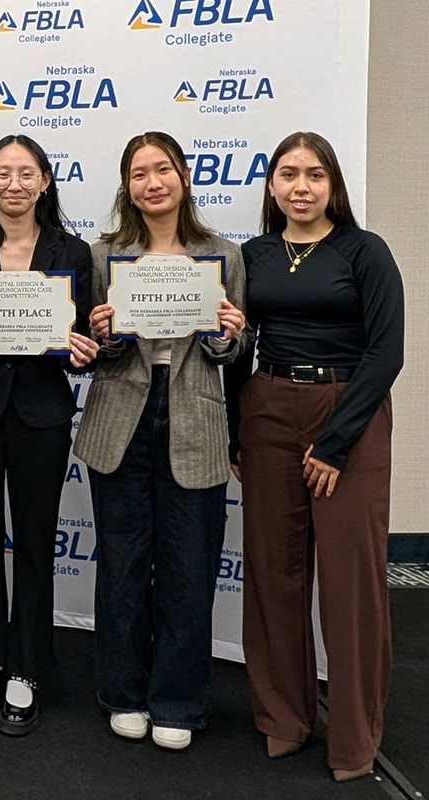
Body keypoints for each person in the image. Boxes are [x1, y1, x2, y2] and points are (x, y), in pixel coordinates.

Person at [225, 132, 404, 782]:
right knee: (274, 572)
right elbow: (237, 345)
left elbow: (387, 353)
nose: (301, 186)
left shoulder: (365, 251)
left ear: (333, 185)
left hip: (346, 413)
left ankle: (354, 738)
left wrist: (333, 444)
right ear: (271, 185)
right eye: (288, 174)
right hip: (267, 405)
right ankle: (284, 718)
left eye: (315, 174)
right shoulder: (253, 254)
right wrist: (232, 434)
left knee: (350, 581)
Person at [73, 131, 248, 751]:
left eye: (163, 170)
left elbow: (235, 353)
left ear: (183, 177)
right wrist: (105, 334)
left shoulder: (223, 255)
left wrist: (229, 334)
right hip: (122, 418)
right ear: (127, 187)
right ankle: (123, 692)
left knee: (188, 566)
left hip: (195, 418)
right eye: (140, 173)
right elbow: (90, 355)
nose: (153, 182)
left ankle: (178, 699)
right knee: (122, 564)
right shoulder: (102, 257)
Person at [0, 135, 98, 735]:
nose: (14, 184)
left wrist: (84, 352)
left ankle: (27, 668)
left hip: (41, 415)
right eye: (2, 173)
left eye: (26, 173)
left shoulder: (72, 252)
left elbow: (81, 338)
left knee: (35, 540)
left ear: (45, 182)